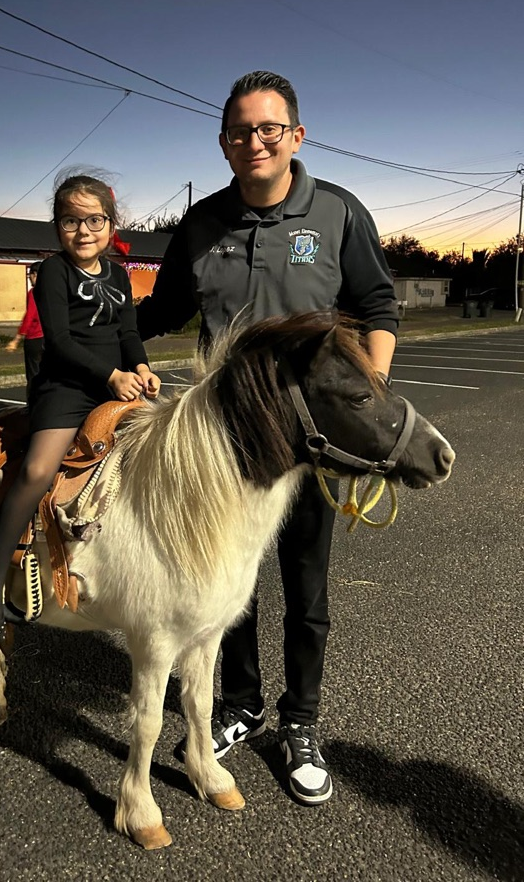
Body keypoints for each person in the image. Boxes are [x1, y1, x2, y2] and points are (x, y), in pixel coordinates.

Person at [136, 71, 398, 805]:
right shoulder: (202, 224)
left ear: (296, 136)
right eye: (241, 131)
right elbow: (162, 311)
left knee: (305, 590)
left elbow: (378, 308)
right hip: (227, 446)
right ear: (223, 143)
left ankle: (300, 723)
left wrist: (367, 398)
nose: (255, 141)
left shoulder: (337, 213)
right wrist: (90, 334)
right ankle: (241, 705)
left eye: (269, 129)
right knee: (230, 587)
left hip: (310, 443)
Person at [0, 171, 162, 644]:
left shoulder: (119, 275)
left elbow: (128, 333)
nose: (84, 231)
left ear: (111, 224)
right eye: (71, 221)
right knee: (37, 471)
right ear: (58, 226)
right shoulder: (54, 272)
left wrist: (141, 367)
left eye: (95, 220)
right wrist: (112, 376)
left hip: (116, 384)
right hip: (66, 387)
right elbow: (58, 341)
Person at [6, 261, 44, 397]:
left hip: (34, 338)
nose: (29, 279)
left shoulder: (34, 293)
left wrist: (17, 339)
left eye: (30, 276)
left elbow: (30, 315)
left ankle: (33, 402)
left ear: (35, 275)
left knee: (33, 374)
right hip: (47, 338)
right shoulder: (51, 292)